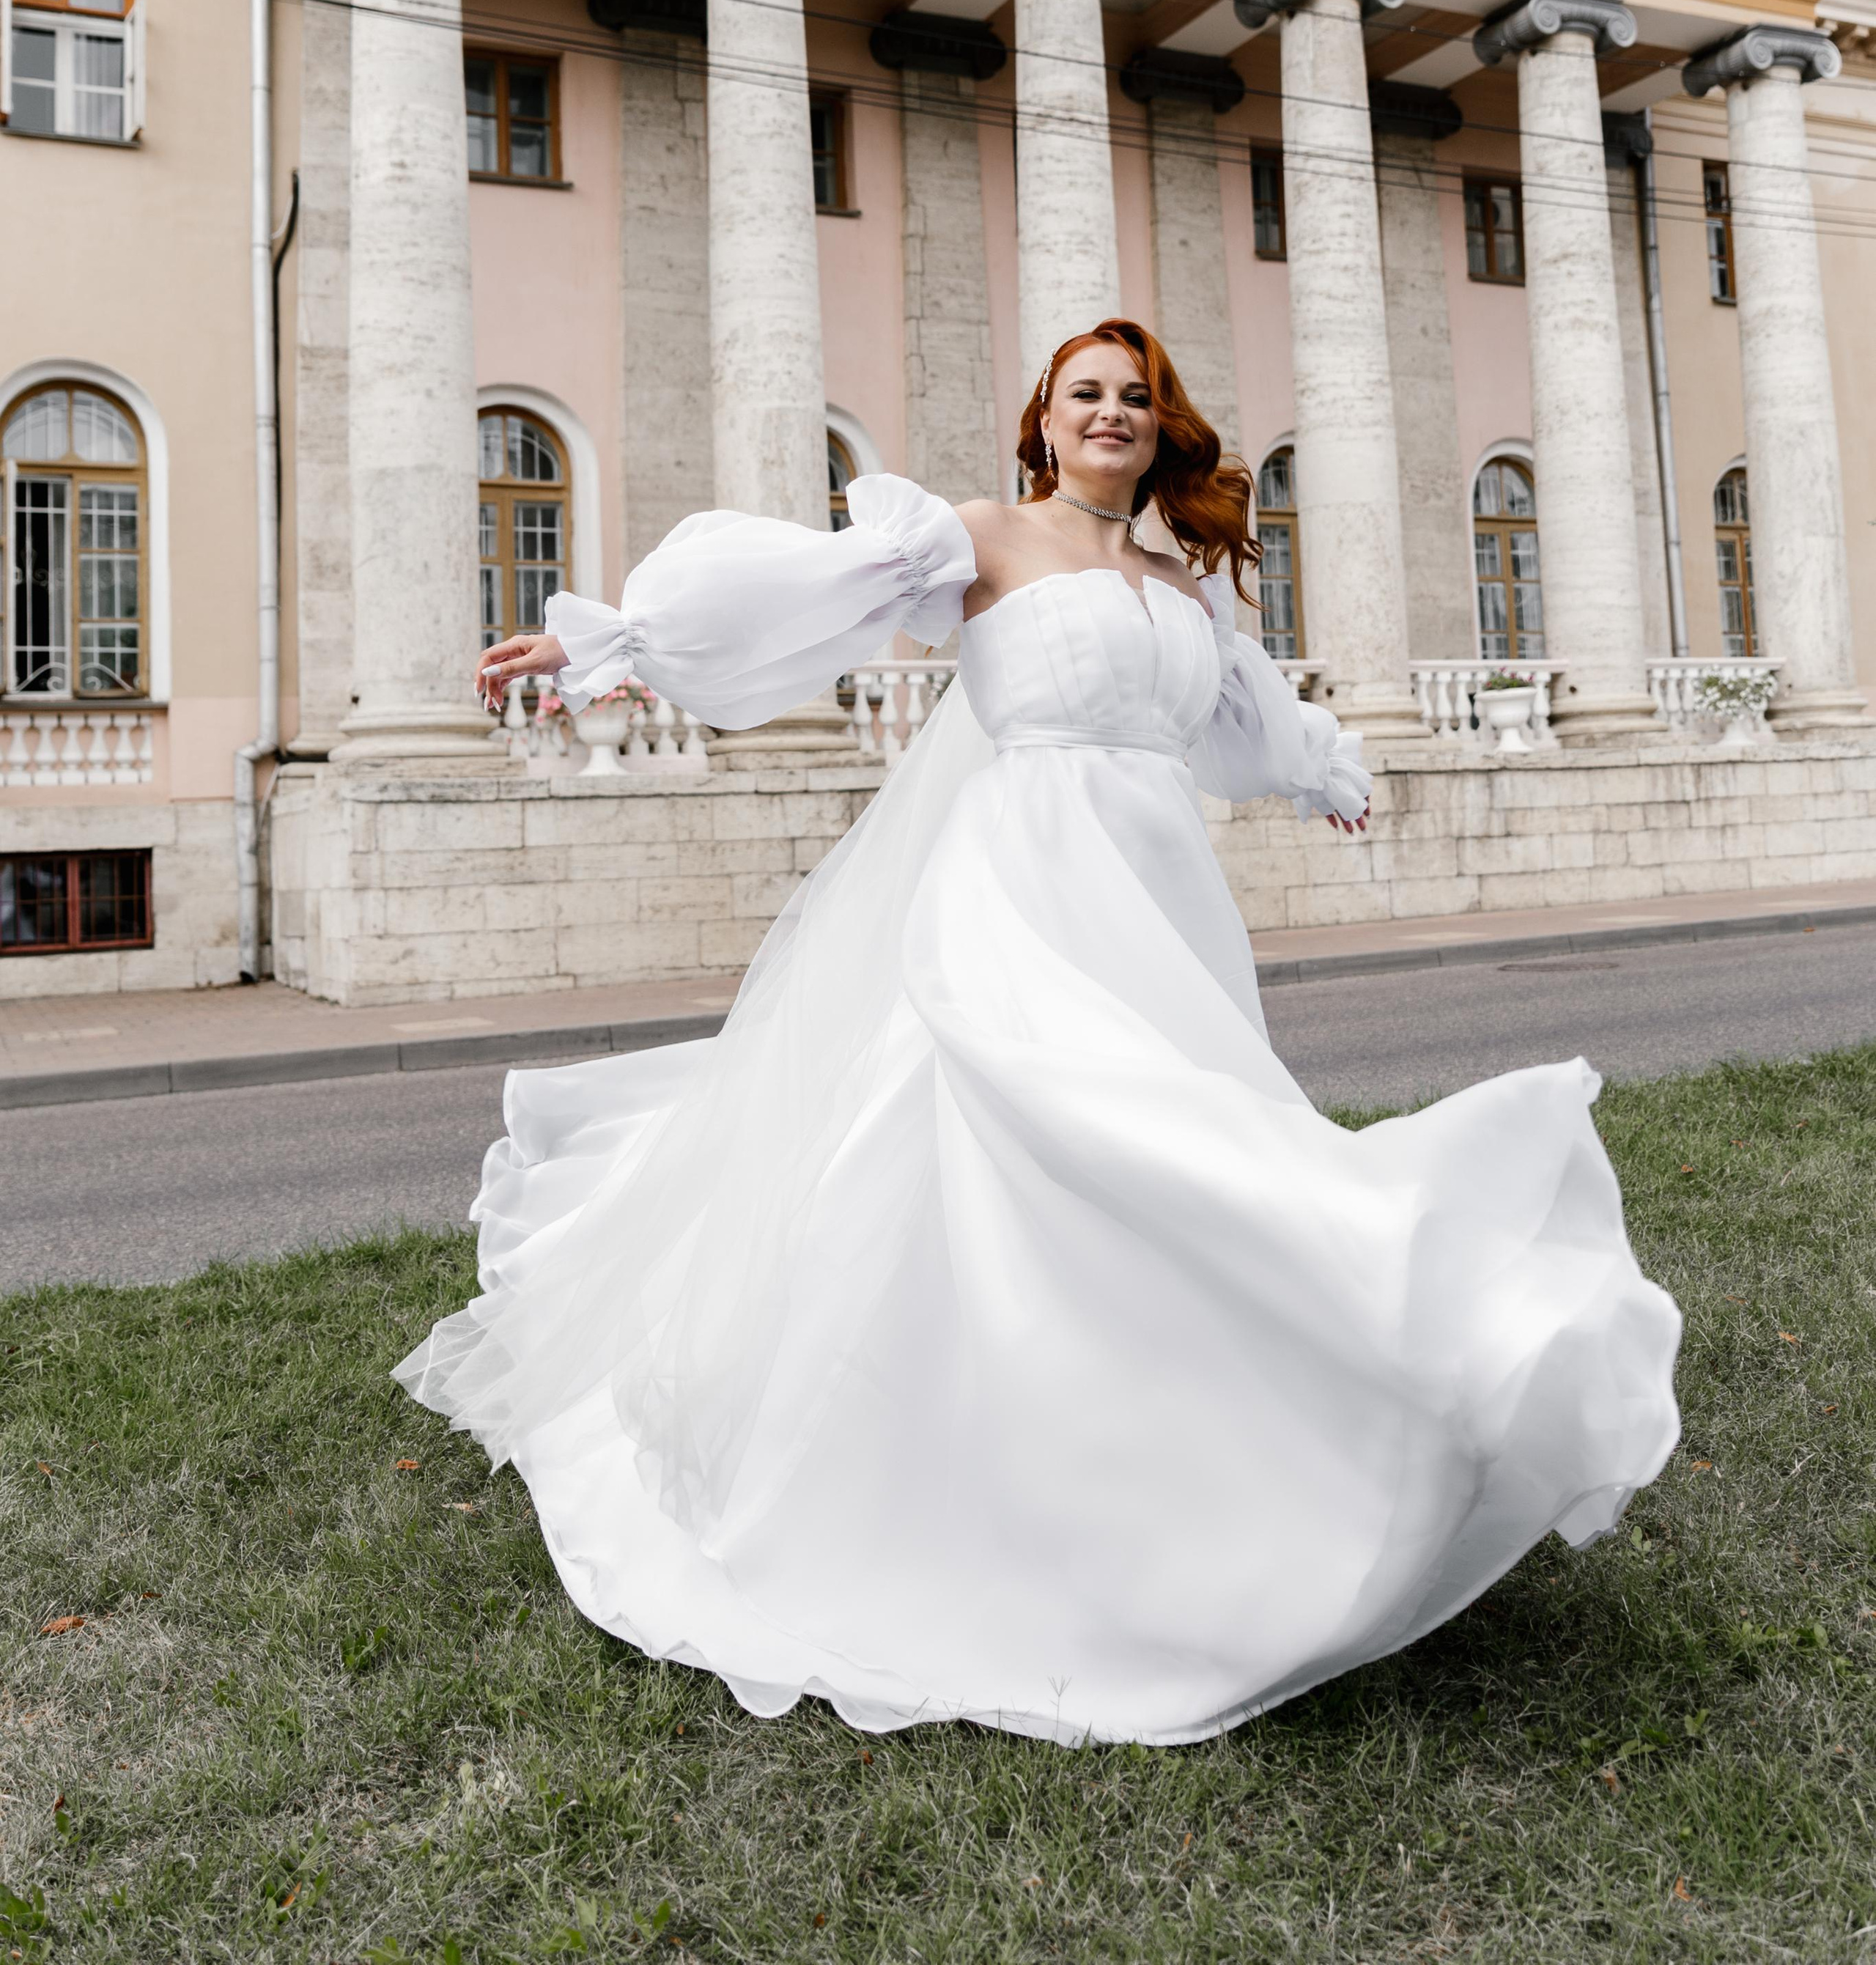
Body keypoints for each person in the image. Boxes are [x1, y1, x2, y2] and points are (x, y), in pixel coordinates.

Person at [396, 317, 1679, 1747]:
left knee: (1179, 1155)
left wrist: (1326, 775)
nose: (1112, 413)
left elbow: (1243, 727)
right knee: (1055, 1128)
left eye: (1136, 396)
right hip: (1014, 885)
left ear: (1160, 426)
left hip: (1160, 909)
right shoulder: (972, 541)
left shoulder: (1184, 590)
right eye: (1086, 395)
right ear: (1042, 422)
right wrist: (619, 649)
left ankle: (1208, 1466)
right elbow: (795, 609)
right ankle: (946, 1486)